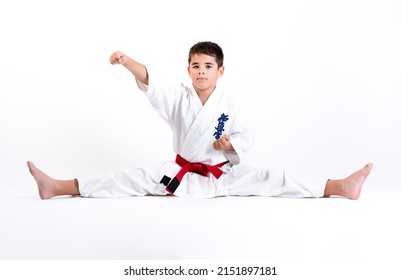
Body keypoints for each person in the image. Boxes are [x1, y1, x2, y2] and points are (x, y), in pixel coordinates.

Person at [27, 41, 373, 200]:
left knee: (272, 178)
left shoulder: (229, 103)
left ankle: (339, 186)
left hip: (222, 175)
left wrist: (230, 145)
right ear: (188, 70)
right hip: (179, 173)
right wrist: (126, 60)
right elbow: (151, 82)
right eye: (195, 65)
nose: (201, 71)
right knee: (128, 179)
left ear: (220, 71)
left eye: (208, 66)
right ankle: (59, 186)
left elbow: (245, 133)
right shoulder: (178, 96)